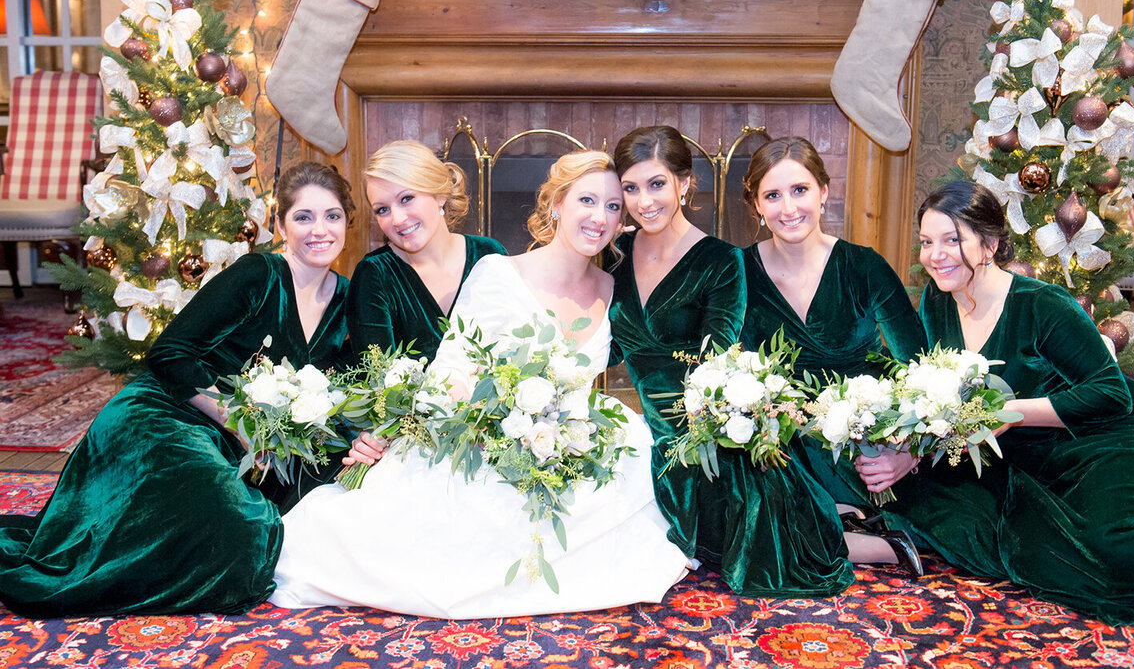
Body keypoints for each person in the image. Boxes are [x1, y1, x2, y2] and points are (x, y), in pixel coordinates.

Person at [271, 151, 689, 617]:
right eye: (587, 200)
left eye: (614, 207)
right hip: (484, 432)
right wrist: (415, 430)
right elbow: (452, 368)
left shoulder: (616, 292)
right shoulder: (498, 271)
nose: (599, 216)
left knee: (635, 465)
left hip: (567, 437)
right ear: (556, 205)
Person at [0, 162, 354, 618]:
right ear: (281, 224)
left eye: (332, 216)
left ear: (348, 221)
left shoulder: (346, 297)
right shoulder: (258, 274)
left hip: (238, 438)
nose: (318, 230)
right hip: (163, 413)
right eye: (303, 217)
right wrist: (239, 421)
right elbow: (169, 354)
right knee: (240, 528)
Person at [879, 180, 1134, 625]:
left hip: (1106, 438)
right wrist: (910, 453)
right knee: (1021, 540)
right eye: (927, 242)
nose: (936, 255)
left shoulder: (1042, 304)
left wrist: (1007, 414)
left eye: (953, 240)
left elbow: (1111, 394)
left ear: (989, 243)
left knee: (1119, 548)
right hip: (1026, 456)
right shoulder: (937, 301)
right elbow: (939, 402)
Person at [608, 125, 811, 595]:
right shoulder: (613, 254)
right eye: (631, 188)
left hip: (696, 431)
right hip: (638, 421)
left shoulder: (721, 260)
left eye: (657, 184)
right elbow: (606, 346)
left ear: (684, 182)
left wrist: (672, 437)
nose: (644, 201)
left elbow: (717, 363)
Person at [738, 136, 928, 583]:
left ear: (824, 191)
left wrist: (907, 452)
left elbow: (920, 367)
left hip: (859, 442)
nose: (788, 208)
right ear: (756, 207)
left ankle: (846, 514)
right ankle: (878, 544)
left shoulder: (864, 266)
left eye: (800, 190)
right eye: (772, 195)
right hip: (780, 445)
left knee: (764, 525)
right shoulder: (738, 271)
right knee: (738, 514)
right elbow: (724, 361)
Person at [347, 140, 505, 361]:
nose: (397, 219)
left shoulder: (488, 255)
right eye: (382, 209)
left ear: (439, 195)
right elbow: (377, 379)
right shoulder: (374, 274)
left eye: (406, 199)